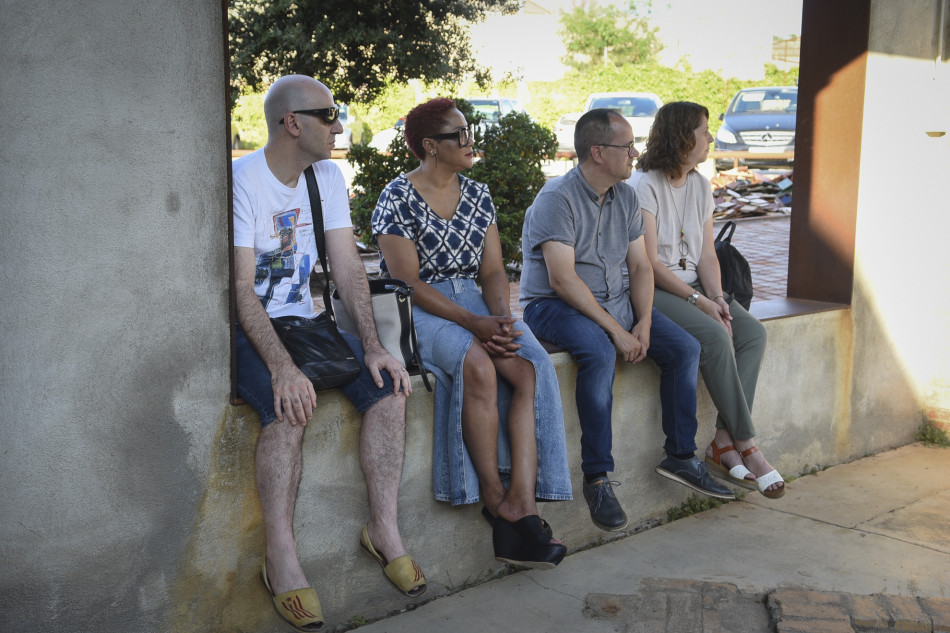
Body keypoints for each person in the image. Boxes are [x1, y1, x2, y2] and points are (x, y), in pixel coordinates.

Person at [233, 75, 426, 633]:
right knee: (288, 406)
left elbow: (346, 268)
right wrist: (283, 368)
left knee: (390, 387)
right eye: (328, 114)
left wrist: (374, 346)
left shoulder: (326, 176)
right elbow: (242, 290)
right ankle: (281, 556)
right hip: (253, 326)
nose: (338, 125)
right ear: (293, 123)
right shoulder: (242, 181)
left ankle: (383, 530)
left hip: (308, 322)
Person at [372, 98, 571, 568]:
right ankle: (494, 496)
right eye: (459, 135)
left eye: (469, 131)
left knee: (528, 368)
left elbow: (495, 272)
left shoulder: (478, 194)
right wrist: (473, 325)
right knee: (478, 366)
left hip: (479, 303)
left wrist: (501, 320)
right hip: (422, 307)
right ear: (429, 146)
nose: (470, 141)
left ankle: (523, 504)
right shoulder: (396, 196)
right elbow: (408, 283)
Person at [520, 108, 735, 533]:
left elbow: (640, 267)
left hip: (613, 299)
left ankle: (681, 455)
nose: (635, 154)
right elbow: (562, 281)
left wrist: (644, 324)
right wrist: (618, 331)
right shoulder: (556, 199)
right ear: (598, 152)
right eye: (627, 146)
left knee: (684, 348)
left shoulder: (627, 197)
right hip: (553, 305)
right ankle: (597, 477)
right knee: (599, 352)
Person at [630, 100, 784, 499]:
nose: (710, 137)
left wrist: (718, 297)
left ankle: (722, 439)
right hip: (656, 289)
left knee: (751, 334)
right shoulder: (644, 184)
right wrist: (700, 301)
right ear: (681, 136)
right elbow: (648, 261)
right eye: (703, 130)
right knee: (715, 338)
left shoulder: (699, 184)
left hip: (696, 286)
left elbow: (706, 254)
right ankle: (748, 445)